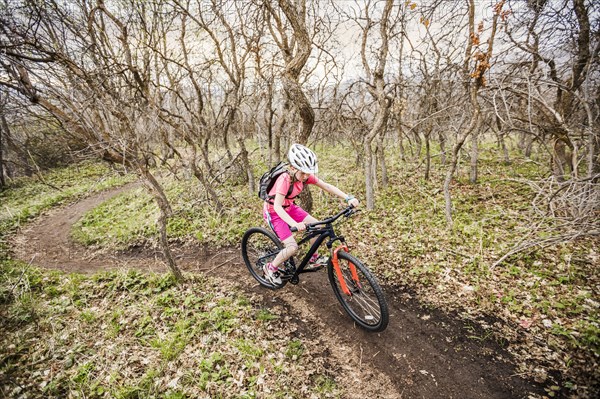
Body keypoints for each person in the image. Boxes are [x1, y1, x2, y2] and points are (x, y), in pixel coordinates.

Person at [262, 143, 360, 285]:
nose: (306, 176)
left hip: (290, 207)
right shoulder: (284, 179)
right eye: (303, 172)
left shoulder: (304, 176)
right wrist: (294, 224)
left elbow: (326, 185)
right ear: (292, 168)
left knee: (318, 227)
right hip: (275, 213)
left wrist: (348, 197)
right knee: (292, 248)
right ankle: (270, 268)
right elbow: (277, 206)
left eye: (308, 172)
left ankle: (313, 258)